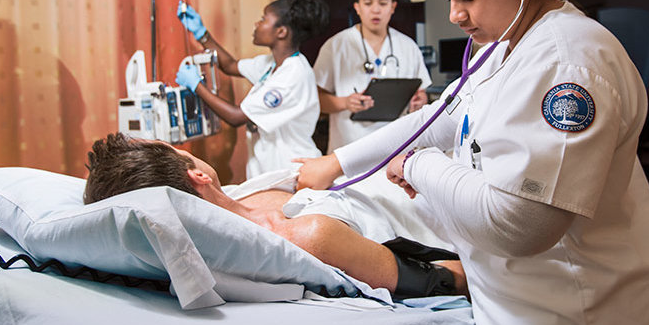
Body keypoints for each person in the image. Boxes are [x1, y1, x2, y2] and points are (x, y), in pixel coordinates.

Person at [297, 0, 649, 325]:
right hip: (515, 303)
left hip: (587, 310)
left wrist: (420, 167)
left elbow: (522, 224)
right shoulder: (499, 49)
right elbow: (437, 119)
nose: (455, 16)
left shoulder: (568, 62)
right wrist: (335, 162)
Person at [84, 133, 467, 300]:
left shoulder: (238, 196)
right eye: (180, 150)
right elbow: (449, 281)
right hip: (456, 205)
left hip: (436, 172)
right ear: (197, 175)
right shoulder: (306, 235)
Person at [176, 0, 327, 179]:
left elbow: (235, 116)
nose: (257, 24)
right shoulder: (272, 64)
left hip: (291, 170)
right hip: (268, 170)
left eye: (263, 19)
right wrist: (202, 34)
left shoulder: (293, 75)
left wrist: (196, 85)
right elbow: (230, 65)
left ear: (281, 32)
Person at [313, 0, 432, 153]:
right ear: (357, 8)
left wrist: (421, 100)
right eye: (368, 3)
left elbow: (421, 93)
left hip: (396, 146)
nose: (376, 10)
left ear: (393, 7)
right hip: (350, 146)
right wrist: (345, 103)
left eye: (383, 3)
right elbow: (316, 99)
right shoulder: (336, 45)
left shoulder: (408, 46)